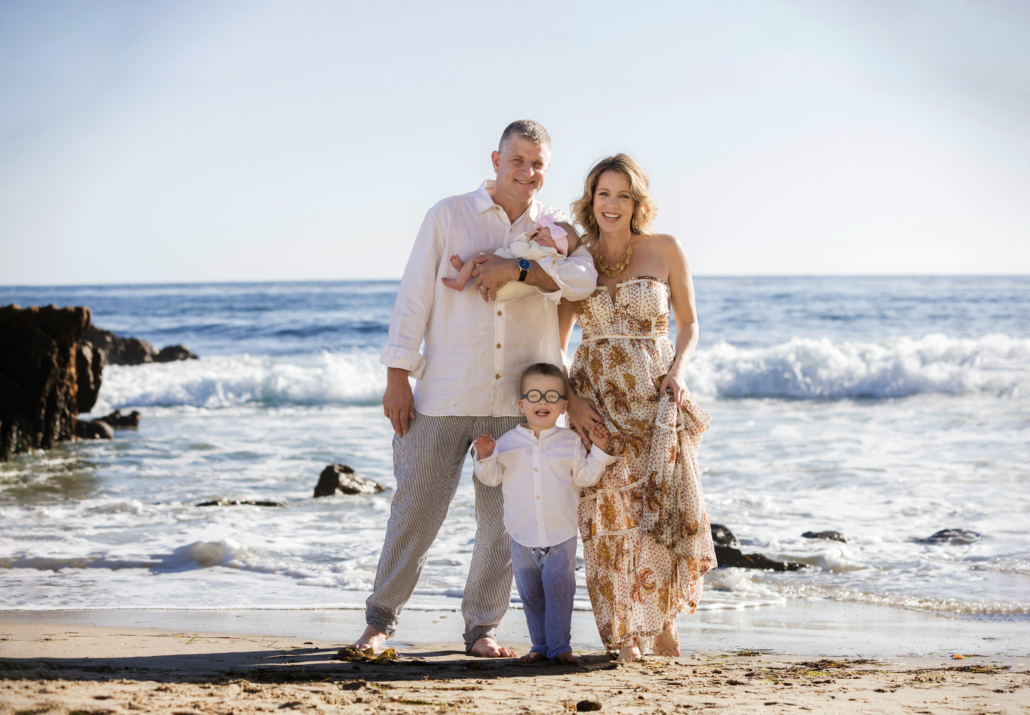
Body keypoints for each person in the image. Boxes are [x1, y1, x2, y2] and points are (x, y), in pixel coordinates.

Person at [354, 120, 598, 658]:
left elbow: (585, 281)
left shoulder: (558, 231)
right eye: (518, 160)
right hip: (444, 393)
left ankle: (481, 630)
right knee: (415, 512)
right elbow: (414, 295)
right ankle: (378, 623)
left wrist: (523, 266)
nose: (528, 173)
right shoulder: (448, 214)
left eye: (538, 164)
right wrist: (398, 374)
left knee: (502, 524)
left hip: (519, 407)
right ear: (495, 159)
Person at [558, 154, 717, 663]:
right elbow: (556, 342)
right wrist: (572, 398)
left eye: (623, 195)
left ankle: (663, 623)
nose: (612, 204)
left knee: (658, 509)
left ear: (637, 201)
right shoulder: (577, 259)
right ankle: (625, 631)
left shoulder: (665, 248)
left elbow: (688, 324)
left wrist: (678, 371)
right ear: (591, 199)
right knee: (608, 516)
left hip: (654, 397)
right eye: (603, 194)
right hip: (597, 399)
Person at [472, 363, 617, 664]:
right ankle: (539, 645)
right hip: (521, 534)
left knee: (560, 594)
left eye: (552, 396)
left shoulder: (571, 441)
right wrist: (485, 455)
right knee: (532, 596)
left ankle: (560, 647)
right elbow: (491, 477)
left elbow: (584, 477)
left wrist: (600, 451)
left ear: (564, 406)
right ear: (521, 404)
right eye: (535, 395)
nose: (543, 402)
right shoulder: (507, 443)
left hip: (560, 533)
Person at [441, 215, 569, 301]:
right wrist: (530, 237)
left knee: (479, 258)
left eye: (542, 238)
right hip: (506, 268)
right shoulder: (545, 251)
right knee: (485, 255)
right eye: (537, 235)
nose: (535, 238)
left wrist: (526, 237)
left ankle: (460, 281)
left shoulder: (544, 253)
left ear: (557, 249)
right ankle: (466, 268)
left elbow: (517, 248)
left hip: (502, 283)